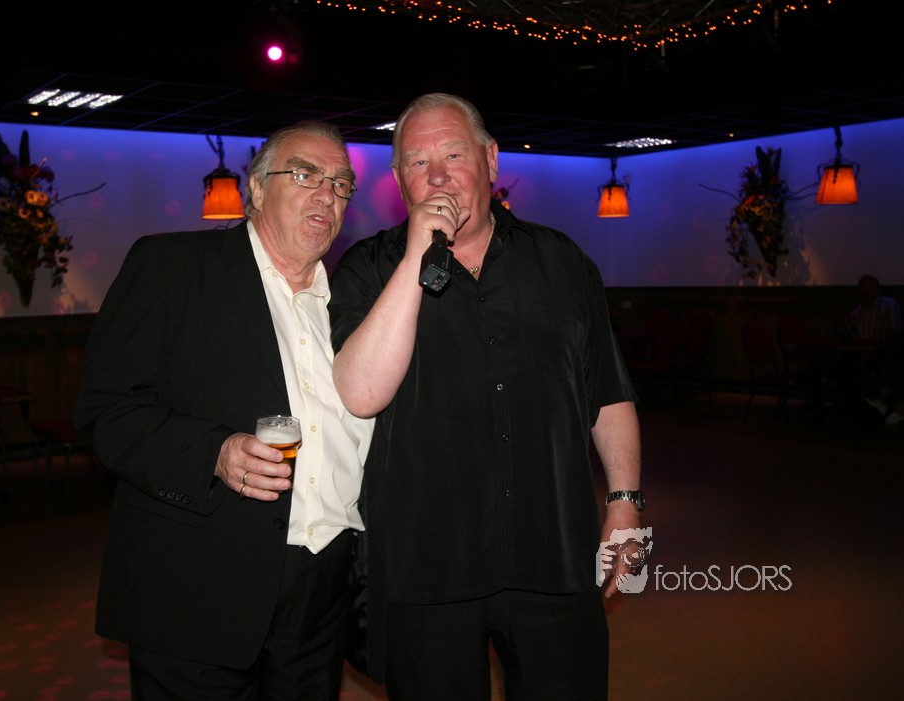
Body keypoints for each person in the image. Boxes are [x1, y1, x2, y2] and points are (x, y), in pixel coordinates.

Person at [329, 93, 643, 700]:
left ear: (491, 160)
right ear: (398, 178)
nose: (438, 176)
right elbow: (361, 393)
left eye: (453, 154)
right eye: (418, 162)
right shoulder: (367, 269)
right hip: (427, 565)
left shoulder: (561, 262)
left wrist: (625, 502)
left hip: (553, 552)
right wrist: (416, 258)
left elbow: (607, 391)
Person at [74, 121, 374, 700]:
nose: (327, 194)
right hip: (200, 582)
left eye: (341, 184)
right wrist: (213, 452)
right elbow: (104, 411)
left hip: (322, 589)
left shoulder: (351, 304)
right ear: (256, 188)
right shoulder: (172, 267)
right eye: (305, 175)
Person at [848, 275, 904, 425]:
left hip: (886, 350)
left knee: (888, 359)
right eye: (863, 286)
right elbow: (853, 334)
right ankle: (856, 405)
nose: (867, 290)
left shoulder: (889, 305)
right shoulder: (856, 312)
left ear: (878, 288)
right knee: (845, 361)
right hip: (860, 350)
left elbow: (895, 331)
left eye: (870, 286)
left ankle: (887, 404)